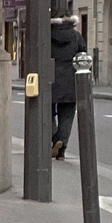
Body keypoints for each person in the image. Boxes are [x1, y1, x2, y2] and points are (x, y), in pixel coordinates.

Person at [50, 14, 85, 160]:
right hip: (70, 81)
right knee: (67, 115)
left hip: (50, 79)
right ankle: (61, 148)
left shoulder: (47, 35)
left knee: (48, 113)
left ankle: (54, 138)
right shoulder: (76, 36)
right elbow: (83, 56)